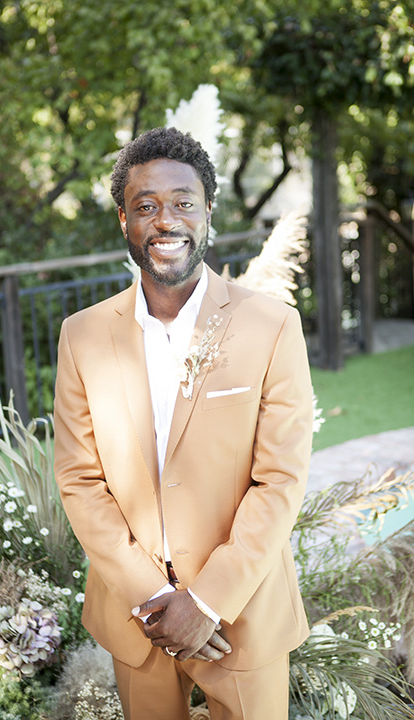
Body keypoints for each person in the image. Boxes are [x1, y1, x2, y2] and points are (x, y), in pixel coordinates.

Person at [54, 126, 313, 720]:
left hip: (240, 620)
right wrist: (151, 595)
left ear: (207, 213)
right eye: (145, 206)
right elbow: (79, 479)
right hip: (135, 620)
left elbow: (280, 481)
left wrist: (207, 599)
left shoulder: (271, 326)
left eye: (183, 203)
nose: (165, 220)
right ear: (124, 220)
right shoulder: (83, 336)